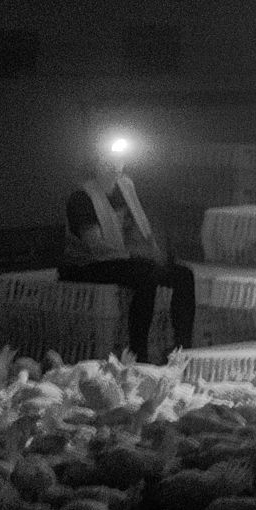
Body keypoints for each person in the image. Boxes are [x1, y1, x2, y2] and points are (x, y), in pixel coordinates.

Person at [59, 139, 195, 363]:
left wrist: (155, 253)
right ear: (95, 162)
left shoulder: (125, 189)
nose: (115, 164)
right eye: (108, 159)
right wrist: (135, 254)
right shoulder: (82, 197)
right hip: (85, 265)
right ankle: (138, 352)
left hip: (121, 259)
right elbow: (95, 245)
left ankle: (182, 348)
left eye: (119, 158)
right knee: (146, 274)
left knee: (183, 275)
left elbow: (141, 230)